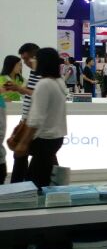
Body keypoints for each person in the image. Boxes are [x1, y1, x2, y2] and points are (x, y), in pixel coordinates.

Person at [12, 48, 67, 189]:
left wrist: (23, 143)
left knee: (35, 182)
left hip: (44, 138)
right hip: (56, 137)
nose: (32, 62)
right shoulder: (59, 81)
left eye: (35, 59)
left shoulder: (44, 84)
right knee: (44, 175)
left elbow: (36, 118)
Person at [6, 44, 40, 183]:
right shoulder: (33, 73)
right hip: (27, 121)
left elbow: (39, 94)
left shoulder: (41, 74)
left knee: (22, 155)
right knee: (22, 156)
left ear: (34, 57)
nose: (24, 63)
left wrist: (20, 89)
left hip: (33, 123)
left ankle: (19, 186)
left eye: (26, 59)